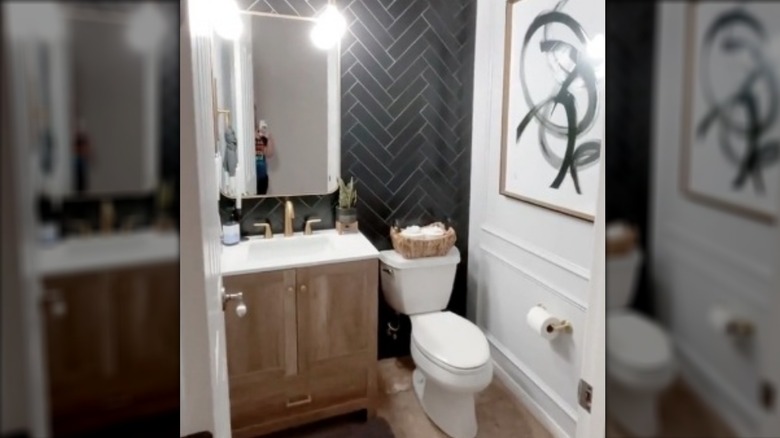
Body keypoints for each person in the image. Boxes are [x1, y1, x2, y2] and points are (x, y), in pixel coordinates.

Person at [255, 120, 275, 195]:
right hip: (249, 173)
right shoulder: (246, 135)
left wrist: (266, 138)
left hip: (261, 175)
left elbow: (269, 153)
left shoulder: (265, 135)